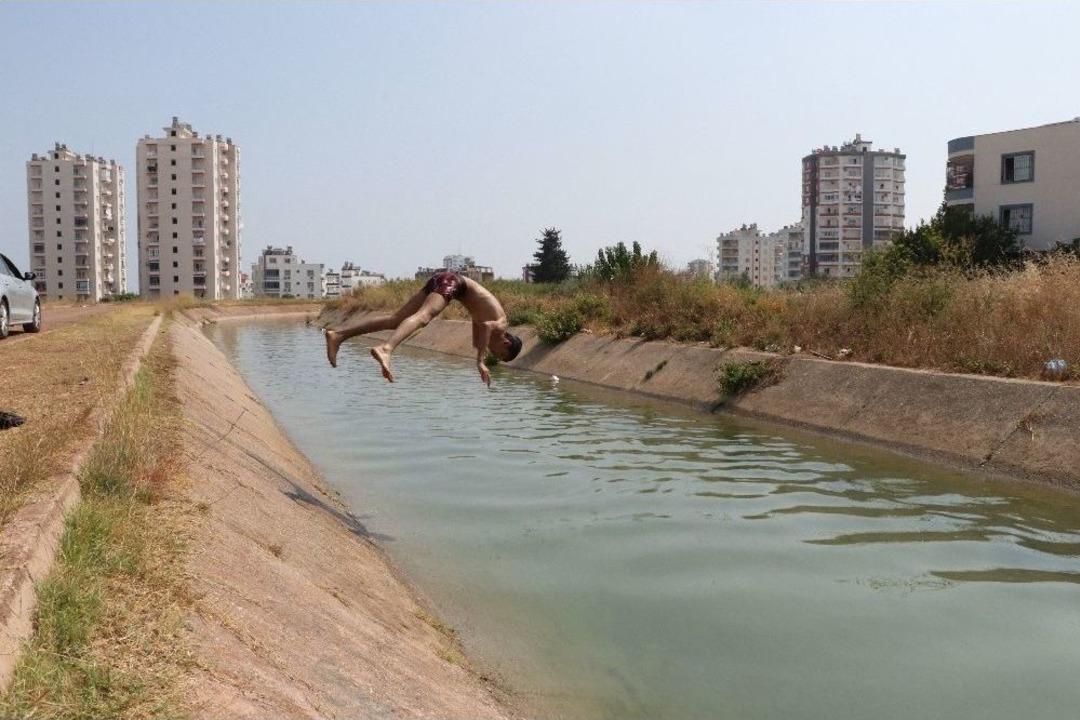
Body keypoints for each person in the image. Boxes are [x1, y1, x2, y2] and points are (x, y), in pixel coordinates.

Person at [324, 271, 523, 385]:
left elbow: (479, 326)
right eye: (499, 354)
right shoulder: (502, 324)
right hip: (453, 282)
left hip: (444, 279)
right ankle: (386, 348)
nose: (493, 354)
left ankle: (338, 335)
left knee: (396, 320)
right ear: (506, 343)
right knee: (424, 316)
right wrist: (479, 361)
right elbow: (486, 327)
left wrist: (477, 347)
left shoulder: (491, 324)